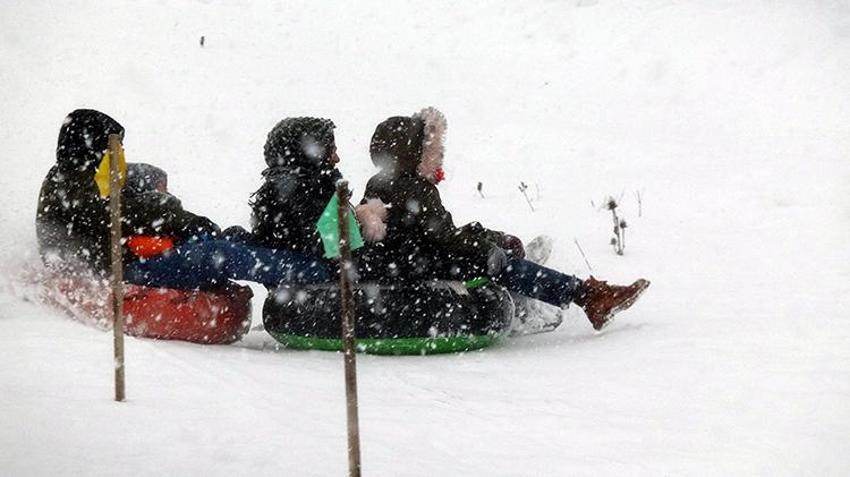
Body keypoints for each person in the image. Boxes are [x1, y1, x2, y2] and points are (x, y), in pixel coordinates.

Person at [360, 107, 650, 330]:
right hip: (420, 264)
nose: (433, 153)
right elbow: (442, 236)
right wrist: (488, 245)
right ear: (411, 151)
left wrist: (486, 236)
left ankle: (545, 285)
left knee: (493, 253)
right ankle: (587, 297)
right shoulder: (413, 187)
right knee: (495, 262)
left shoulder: (380, 183)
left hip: (407, 261)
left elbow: (428, 231)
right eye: (425, 147)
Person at [36, 109, 331, 290]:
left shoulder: (94, 179)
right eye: (116, 146)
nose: (121, 154)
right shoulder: (68, 184)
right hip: (120, 267)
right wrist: (169, 211)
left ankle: (300, 268)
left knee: (218, 241)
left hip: (138, 255)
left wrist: (185, 224)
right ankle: (312, 273)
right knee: (220, 255)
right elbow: (110, 215)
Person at [249, 116, 386, 267]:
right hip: (330, 288)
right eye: (331, 151)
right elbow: (343, 255)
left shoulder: (283, 192)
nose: (337, 158)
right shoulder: (309, 193)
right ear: (312, 154)